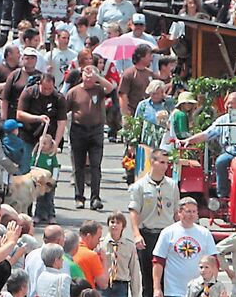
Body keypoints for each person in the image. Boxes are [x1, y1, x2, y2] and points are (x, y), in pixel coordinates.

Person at [129, 148, 180, 297]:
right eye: (162, 162)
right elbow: (134, 212)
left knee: (168, 275)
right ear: (153, 162)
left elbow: (175, 211)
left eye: (167, 163)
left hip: (167, 234)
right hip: (148, 232)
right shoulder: (140, 186)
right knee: (148, 275)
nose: (165, 166)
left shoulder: (172, 185)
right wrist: (136, 234)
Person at [66, 65, 115, 210]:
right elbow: (64, 109)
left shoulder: (99, 90)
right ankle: (79, 197)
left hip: (96, 130)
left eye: (91, 77)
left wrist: (97, 77)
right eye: (86, 76)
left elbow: (111, 89)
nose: (88, 79)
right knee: (78, 166)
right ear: (81, 76)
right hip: (78, 129)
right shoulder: (74, 92)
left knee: (95, 166)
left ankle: (95, 197)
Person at [182, 92, 236, 198]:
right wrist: (189, 140)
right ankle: (223, 195)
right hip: (231, 153)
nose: (228, 106)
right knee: (221, 161)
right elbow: (207, 134)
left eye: (232, 103)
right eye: (227, 103)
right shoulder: (223, 120)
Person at [16, 73, 66, 175]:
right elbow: (19, 114)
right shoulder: (29, 93)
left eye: (50, 88)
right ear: (39, 84)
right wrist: (38, 118)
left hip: (47, 140)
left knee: (46, 170)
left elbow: (61, 122)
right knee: (26, 166)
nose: (47, 91)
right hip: (28, 135)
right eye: (44, 88)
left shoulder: (58, 98)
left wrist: (56, 143)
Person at [118, 44, 155, 117]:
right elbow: (123, 95)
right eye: (149, 56)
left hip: (148, 113)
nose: (151, 59)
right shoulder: (129, 73)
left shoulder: (150, 73)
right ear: (141, 57)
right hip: (133, 112)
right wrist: (125, 114)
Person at [74, 221, 108, 290]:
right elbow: (103, 284)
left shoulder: (69, 249)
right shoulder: (91, 255)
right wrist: (104, 260)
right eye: (98, 238)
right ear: (89, 237)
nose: (98, 242)